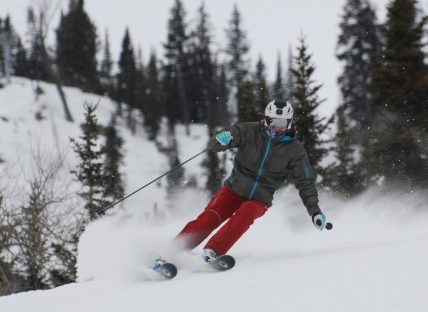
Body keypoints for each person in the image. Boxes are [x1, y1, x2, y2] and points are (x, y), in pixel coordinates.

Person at [156, 100, 328, 266]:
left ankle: (213, 251)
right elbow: (217, 144)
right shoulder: (249, 130)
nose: (277, 127)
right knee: (209, 218)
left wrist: (315, 212)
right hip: (233, 190)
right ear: (265, 120)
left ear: (290, 123)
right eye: (273, 122)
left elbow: (305, 183)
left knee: (246, 213)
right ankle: (170, 252)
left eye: (282, 123)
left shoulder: (295, 150)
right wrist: (222, 139)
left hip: (260, 199)